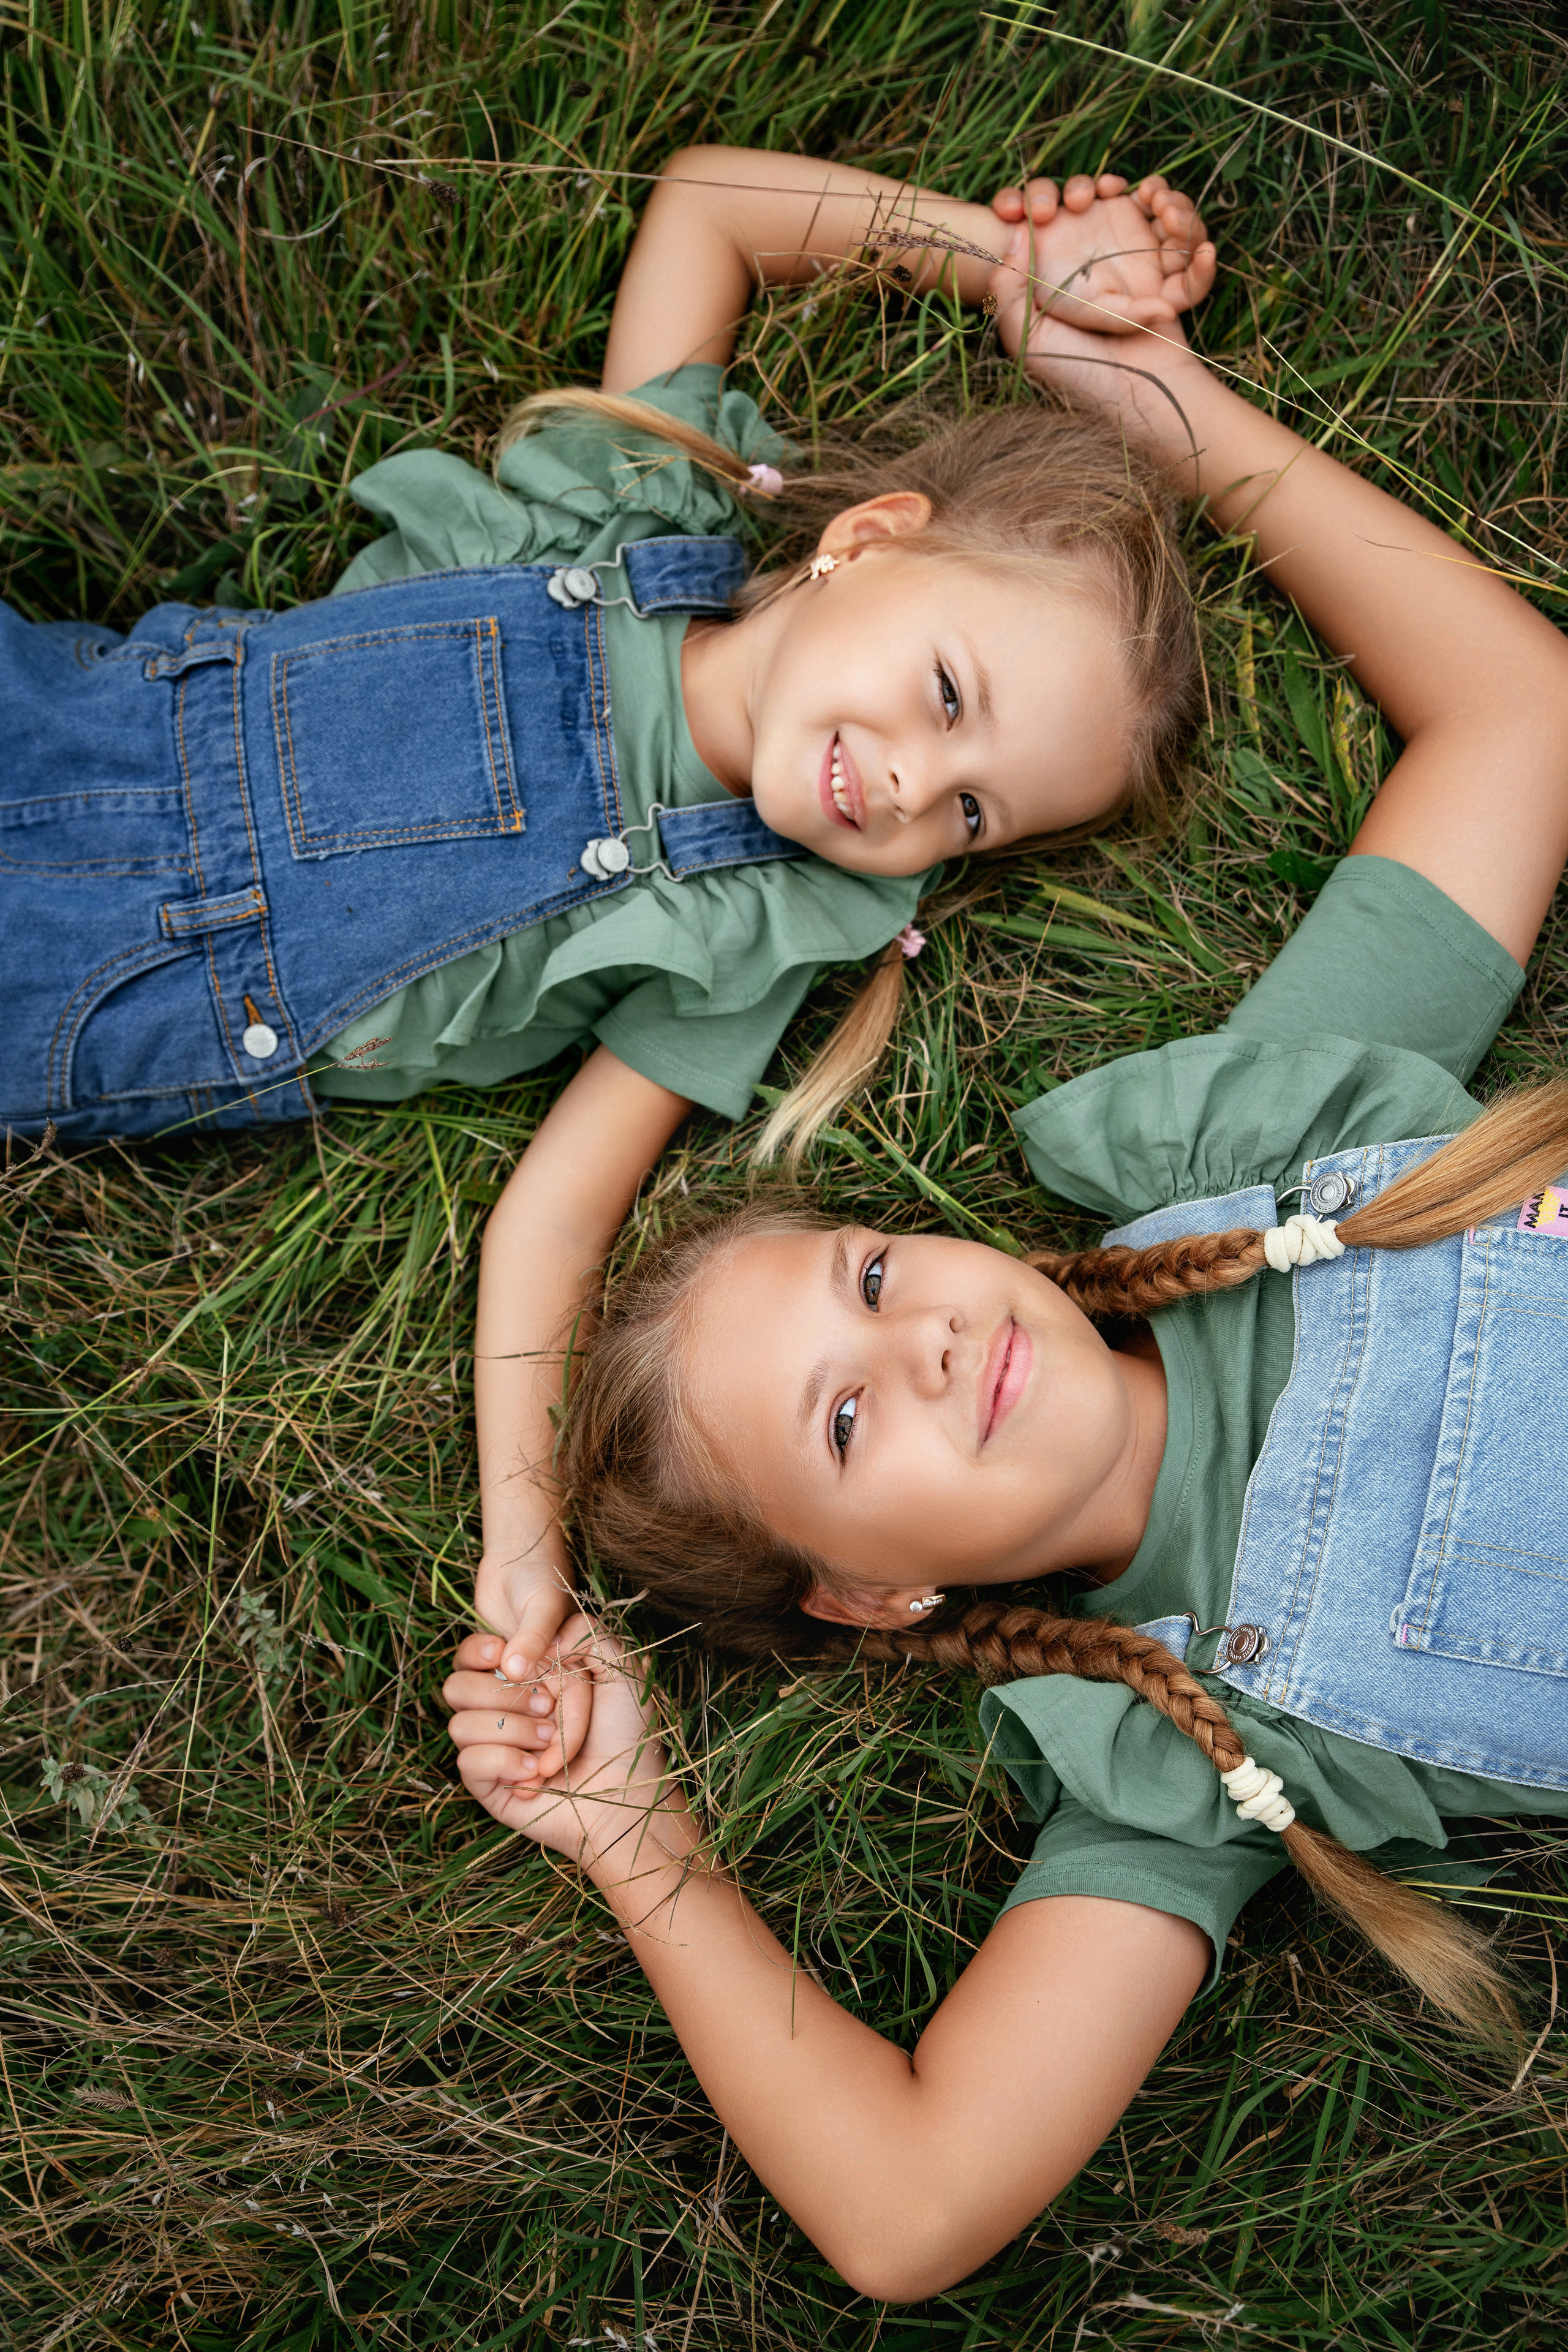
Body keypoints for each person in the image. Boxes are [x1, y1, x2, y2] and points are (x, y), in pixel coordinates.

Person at [441, 176, 1568, 2301]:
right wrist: (633, 1838)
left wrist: (1156, 400)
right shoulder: (1186, 1755)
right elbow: (911, 2214)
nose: (931, 1347)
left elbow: (1520, 717)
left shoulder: (1286, 1134)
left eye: (872, 1283)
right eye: (850, 1424)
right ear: (880, 1594)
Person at [2, 146, 1213, 1684]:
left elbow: (556, 1219)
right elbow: (709, 207)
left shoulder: (751, 928)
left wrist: (522, 1549)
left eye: (972, 811)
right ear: (865, 540)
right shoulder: (636, 510)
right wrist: (1000, 258)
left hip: (112, 994)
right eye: (946, 693)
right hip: (72, 724)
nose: (913, 782)